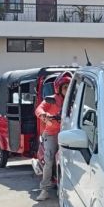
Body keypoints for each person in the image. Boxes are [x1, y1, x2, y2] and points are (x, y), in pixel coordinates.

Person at [34, 72, 71, 200]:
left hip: (67, 132)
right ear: (59, 88)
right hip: (52, 134)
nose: (67, 90)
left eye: (69, 86)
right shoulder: (52, 99)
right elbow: (39, 109)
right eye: (65, 87)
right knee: (49, 161)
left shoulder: (74, 100)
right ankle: (44, 189)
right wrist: (45, 115)